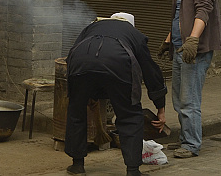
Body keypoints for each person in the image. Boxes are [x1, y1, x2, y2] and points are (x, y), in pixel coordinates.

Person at [64, 12, 167, 176]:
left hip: (79, 62)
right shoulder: (135, 34)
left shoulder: (91, 26)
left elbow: (74, 54)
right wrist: (160, 107)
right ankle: (133, 170)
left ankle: (77, 165)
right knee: (130, 116)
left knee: (76, 112)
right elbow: (151, 72)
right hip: (118, 63)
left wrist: (87, 92)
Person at [158, 0, 221, 159]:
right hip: (179, 48)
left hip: (194, 51)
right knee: (179, 99)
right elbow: (179, 17)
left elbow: (202, 13)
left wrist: (192, 41)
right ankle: (185, 139)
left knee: (189, 100)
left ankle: (192, 144)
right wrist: (169, 40)